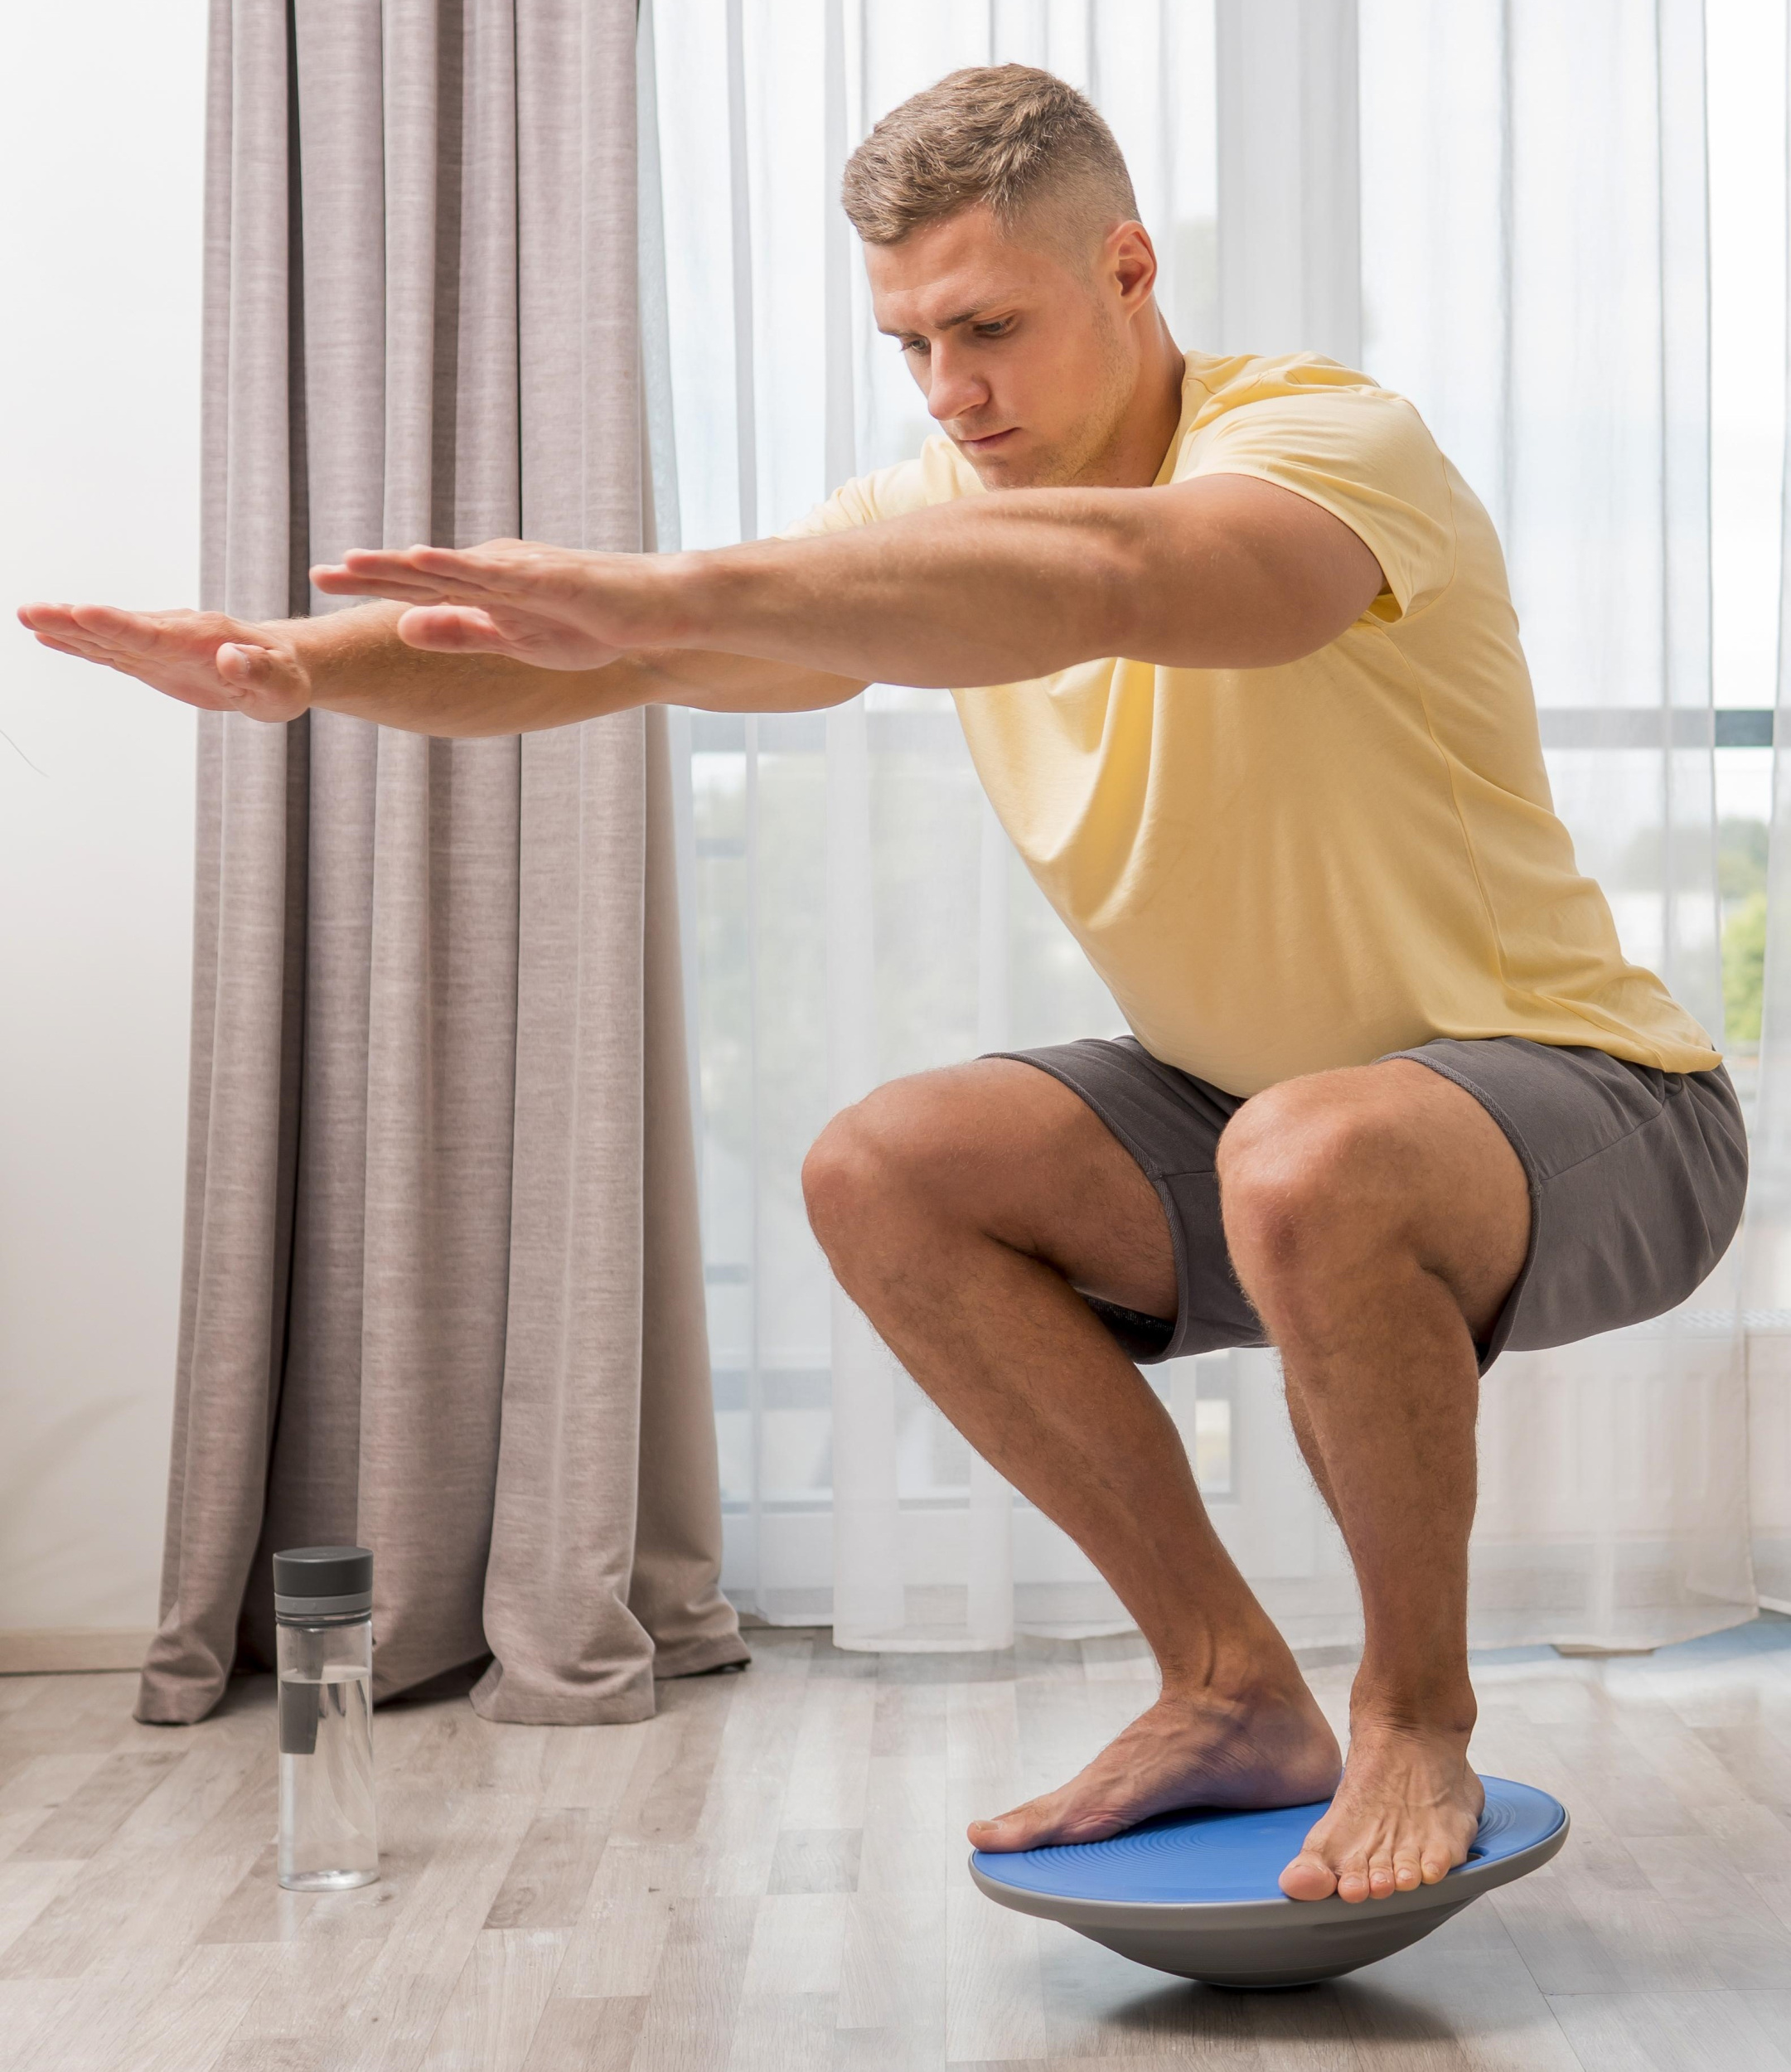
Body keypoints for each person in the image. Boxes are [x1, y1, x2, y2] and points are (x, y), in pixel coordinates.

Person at [20, 65, 1745, 1907]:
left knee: (1311, 1152)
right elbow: (602, 658)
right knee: (886, 1165)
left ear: (1131, 269)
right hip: (1259, 1124)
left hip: (1597, 1114)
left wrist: (682, 586)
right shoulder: (934, 511)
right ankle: (1230, 1683)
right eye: (911, 342)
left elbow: (1132, 575)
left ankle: (1414, 1706)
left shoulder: (1319, 439)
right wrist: (310, 664)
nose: (951, 392)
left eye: (988, 327)